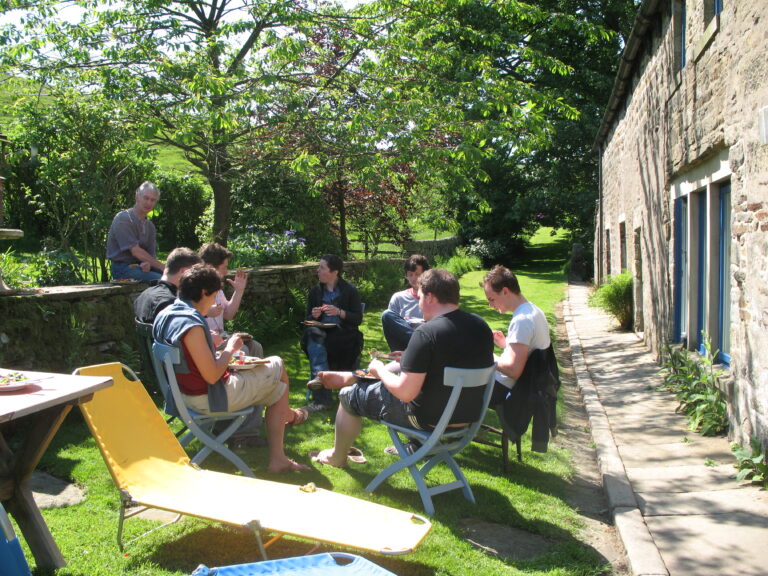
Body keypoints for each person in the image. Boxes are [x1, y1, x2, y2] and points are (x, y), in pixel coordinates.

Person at [310, 268, 494, 467]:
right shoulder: (481, 326)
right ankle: (355, 376)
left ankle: (337, 457)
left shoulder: (427, 333)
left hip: (426, 421)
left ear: (430, 297)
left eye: (420, 297)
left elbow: (405, 393)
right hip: (465, 421)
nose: (419, 304)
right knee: (394, 373)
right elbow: (452, 360)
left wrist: (379, 369)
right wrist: (410, 358)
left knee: (349, 394)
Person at [153, 264, 309, 473]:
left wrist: (219, 354)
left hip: (180, 396)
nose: (214, 302)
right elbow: (211, 376)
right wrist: (230, 349)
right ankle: (279, 449)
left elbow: (192, 362)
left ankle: (285, 418)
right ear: (203, 292)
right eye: (214, 296)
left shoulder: (167, 314)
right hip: (208, 398)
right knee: (278, 366)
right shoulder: (191, 324)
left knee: (274, 382)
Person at [301, 254, 364, 413]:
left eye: (322, 268)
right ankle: (322, 387)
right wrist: (314, 315)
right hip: (321, 333)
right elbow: (307, 319)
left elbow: (357, 319)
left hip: (344, 335)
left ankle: (321, 390)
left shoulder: (350, 291)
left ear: (334, 272)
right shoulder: (315, 292)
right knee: (313, 333)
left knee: (316, 343)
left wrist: (339, 312)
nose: (318, 270)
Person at [482, 265, 551, 405]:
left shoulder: (521, 320)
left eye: (491, 299)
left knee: (453, 381)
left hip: (503, 388)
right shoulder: (534, 311)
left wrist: (486, 355)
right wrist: (506, 344)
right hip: (524, 385)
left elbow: (513, 370)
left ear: (505, 291)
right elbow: (529, 350)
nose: (490, 305)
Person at [198, 242, 264, 358]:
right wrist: (206, 312)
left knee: (256, 346)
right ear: (211, 268)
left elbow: (228, 314)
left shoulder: (217, 289)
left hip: (222, 337)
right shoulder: (194, 288)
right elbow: (186, 313)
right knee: (242, 350)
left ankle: (258, 370)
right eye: (224, 267)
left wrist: (239, 291)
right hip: (206, 342)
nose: (226, 272)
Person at [106, 181, 165, 283]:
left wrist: (147, 263)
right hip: (122, 268)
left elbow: (151, 257)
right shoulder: (123, 219)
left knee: (177, 278)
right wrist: (162, 267)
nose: (149, 203)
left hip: (140, 267)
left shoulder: (150, 226)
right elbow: (136, 251)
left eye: (153, 200)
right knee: (164, 281)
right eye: (146, 198)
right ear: (136, 197)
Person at [133, 247, 201, 324]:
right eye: (194, 274)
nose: (195, 279)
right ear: (184, 271)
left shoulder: (142, 296)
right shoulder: (170, 304)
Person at [381, 254, 430, 352]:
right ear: (406, 276)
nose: (413, 278)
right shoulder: (398, 298)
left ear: (425, 275)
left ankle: (420, 346)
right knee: (387, 314)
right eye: (410, 275)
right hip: (403, 347)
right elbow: (392, 328)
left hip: (427, 340)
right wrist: (404, 324)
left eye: (417, 274)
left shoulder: (433, 298)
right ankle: (418, 345)